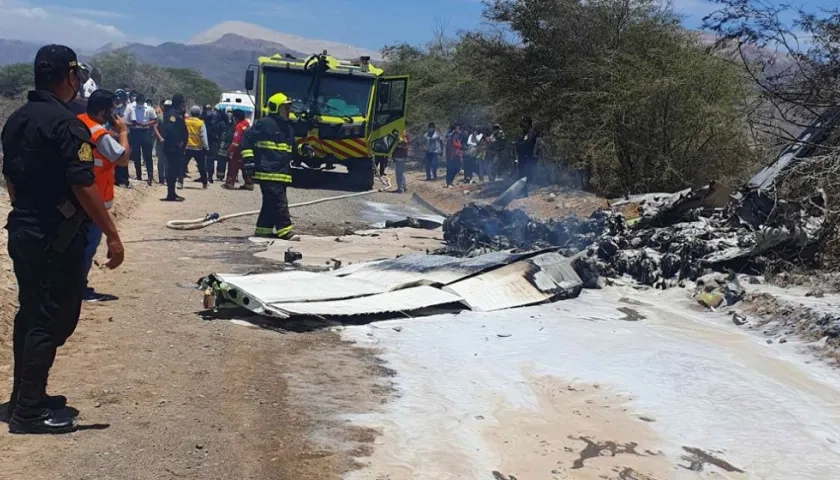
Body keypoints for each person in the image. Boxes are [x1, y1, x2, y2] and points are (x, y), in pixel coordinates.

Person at [0, 44, 125, 434]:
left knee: (32, 313)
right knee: (51, 318)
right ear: (70, 77)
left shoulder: (16, 120)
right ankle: (29, 413)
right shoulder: (67, 123)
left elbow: (11, 177)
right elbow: (83, 184)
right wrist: (112, 235)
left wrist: (29, 213)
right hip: (55, 236)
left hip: (24, 228)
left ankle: (25, 397)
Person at [77, 89, 130, 302]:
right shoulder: (100, 133)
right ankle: (79, 288)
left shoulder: (80, 122)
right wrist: (123, 133)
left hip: (79, 197)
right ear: (103, 111)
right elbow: (123, 158)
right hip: (94, 200)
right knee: (87, 248)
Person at [240, 92, 313, 239]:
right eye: (285, 108)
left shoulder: (288, 127)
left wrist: (303, 149)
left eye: (289, 108)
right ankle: (285, 230)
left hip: (281, 172)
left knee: (270, 202)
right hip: (267, 171)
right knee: (279, 202)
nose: (288, 111)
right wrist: (249, 160)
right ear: (276, 108)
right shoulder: (264, 123)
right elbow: (246, 139)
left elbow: (292, 149)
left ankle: (263, 230)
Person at [125, 93, 157, 186]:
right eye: (139, 102)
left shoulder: (149, 108)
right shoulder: (131, 107)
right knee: (136, 155)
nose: (140, 104)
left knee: (147, 155)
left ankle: (150, 177)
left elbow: (154, 120)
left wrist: (146, 124)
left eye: (141, 102)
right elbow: (127, 119)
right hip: (135, 132)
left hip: (146, 132)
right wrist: (132, 123)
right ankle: (139, 175)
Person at [161, 94, 188, 201]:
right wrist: (178, 142)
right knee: (172, 170)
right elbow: (171, 129)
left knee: (175, 169)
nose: (184, 104)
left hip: (177, 147)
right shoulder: (172, 114)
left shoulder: (177, 113)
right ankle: (170, 194)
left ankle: (172, 192)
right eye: (183, 102)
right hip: (173, 147)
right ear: (179, 103)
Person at [223, 109, 254, 190]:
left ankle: (230, 183)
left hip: (238, 150)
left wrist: (230, 150)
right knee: (245, 166)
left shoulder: (239, 126)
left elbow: (236, 141)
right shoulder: (247, 124)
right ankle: (249, 183)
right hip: (247, 149)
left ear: (236, 117)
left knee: (233, 166)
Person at [184, 105, 210, 189]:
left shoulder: (186, 121)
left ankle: (180, 182)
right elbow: (203, 136)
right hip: (198, 148)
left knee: (182, 165)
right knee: (202, 167)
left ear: (190, 113)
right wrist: (206, 147)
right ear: (199, 113)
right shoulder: (200, 123)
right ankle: (204, 184)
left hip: (187, 147)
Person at [516, 116, 538, 196]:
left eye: (524, 123)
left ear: (527, 123)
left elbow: (528, 142)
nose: (522, 124)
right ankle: (521, 192)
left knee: (525, 175)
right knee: (521, 174)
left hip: (528, 157)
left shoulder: (531, 132)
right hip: (522, 157)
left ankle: (524, 193)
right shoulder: (524, 133)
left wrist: (519, 144)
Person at [153, 99, 170, 184]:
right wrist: (160, 138)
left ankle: (167, 177)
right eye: (165, 106)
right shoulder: (159, 116)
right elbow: (155, 127)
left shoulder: (172, 116)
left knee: (168, 161)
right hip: (160, 142)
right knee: (161, 161)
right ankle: (161, 179)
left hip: (169, 142)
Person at [445, 123, 463, 188]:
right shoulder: (450, 140)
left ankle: (451, 182)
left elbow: (459, 148)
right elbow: (448, 148)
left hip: (457, 157)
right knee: (450, 170)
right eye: (456, 134)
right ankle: (448, 183)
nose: (457, 135)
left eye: (457, 135)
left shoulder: (458, 140)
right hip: (451, 157)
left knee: (455, 170)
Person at [392, 128, 410, 193]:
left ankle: (400, 189)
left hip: (400, 157)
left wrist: (397, 143)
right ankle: (404, 187)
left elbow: (404, 143)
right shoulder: (403, 135)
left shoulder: (402, 136)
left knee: (398, 174)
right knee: (401, 173)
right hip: (401, 157)